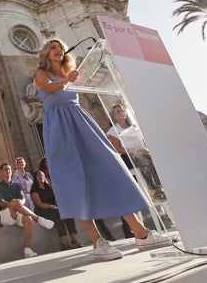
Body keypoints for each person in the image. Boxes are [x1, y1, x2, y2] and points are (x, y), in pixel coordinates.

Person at [33, 38, 171, 260]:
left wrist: (72, 78)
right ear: (46, 53)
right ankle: (97, 242)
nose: (58, 49)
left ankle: (141, 233)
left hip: (82, 122)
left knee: (112, 171)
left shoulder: (71, 72)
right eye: (52, 47)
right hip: (59, 128)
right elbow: (48, 88)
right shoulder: (41, 73)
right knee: (75, 181)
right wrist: (67, 80)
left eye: (60, 46)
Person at [0, 162, 55, 258]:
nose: (7, 171)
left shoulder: (16, 186)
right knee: (14, 202)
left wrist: (21, 202)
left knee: (28, 219)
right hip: (4, 215)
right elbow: (0, 202)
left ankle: (27, 249)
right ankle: (39, 219)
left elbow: (22, 198)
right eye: (5, 169)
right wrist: (12, 204)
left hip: (17, 213)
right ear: (1, 172)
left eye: (9, 169)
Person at [30, 170, 82, 251]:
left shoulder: (48, 188)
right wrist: (51, 206)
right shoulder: (34, 190)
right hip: (42, 211)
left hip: (53, 209)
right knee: (58, 215)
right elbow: (39, 203)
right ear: (35, 178)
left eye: (42, 175)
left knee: (67, 213)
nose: (41, 177)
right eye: (38, 176)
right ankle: (64, 243)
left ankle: (74, 240)